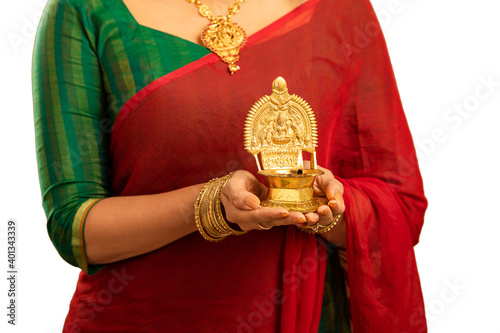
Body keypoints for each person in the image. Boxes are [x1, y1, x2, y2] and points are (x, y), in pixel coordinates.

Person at [32, 0, 428, 331]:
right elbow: (74, 225)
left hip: (308, 315)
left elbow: (400, 206)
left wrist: (318, 205)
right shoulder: (85, 11)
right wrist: (213, 206)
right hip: (145, 315)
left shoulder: (340, 10)